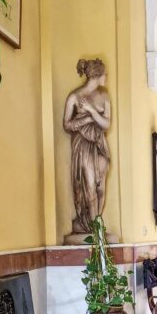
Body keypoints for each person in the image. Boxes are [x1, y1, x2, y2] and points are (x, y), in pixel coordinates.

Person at [63, 58, 111, 233]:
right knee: (89, 185)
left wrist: (90, 111)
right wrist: (86, 120)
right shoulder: (74, 97)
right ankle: (94, 229)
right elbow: (66, 125)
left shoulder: (104, 96)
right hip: (82, 146)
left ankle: (97, 222)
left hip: (99, 144)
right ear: (97, 75)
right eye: (104, 74)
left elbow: (106, 124)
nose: (106, 77)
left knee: (100, 187)